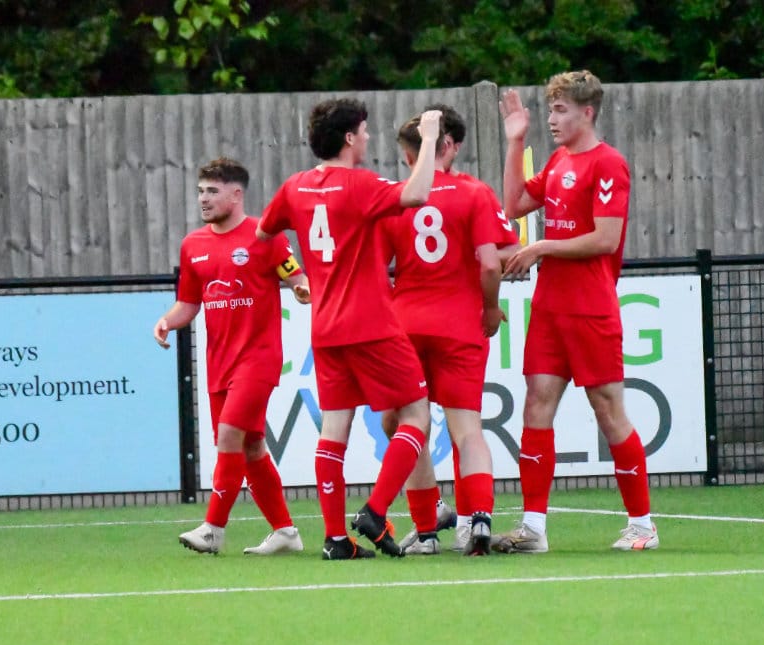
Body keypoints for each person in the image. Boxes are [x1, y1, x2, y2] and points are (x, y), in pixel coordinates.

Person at [257, 99, 443, 560]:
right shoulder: (361, 184)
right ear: (348, 138)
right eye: (363, 131)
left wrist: (301, 276)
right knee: (416, 415)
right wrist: (430, 138)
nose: (367, 138)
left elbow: (263, 235)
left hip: (325, 328)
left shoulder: (295, 186)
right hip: (372, 323)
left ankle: (336, 539)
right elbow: (418, 193)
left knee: (334, 429)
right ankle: (375, 511)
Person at [494, 71, 659, 552]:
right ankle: (533, 528)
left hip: (590, 308)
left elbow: (606, 238)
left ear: (587, 112)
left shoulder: (608, 164)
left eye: (561, 110)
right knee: (536, 404)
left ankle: (643, 525)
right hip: (551, 307)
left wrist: (542, 246)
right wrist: (515, 140)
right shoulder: (558, 160)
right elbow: (514, 204)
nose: (552, 119)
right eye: (550, 110)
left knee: (608, 410)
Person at [153, 157, 310, 556]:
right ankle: (285, 532)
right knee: (252, 445)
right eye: (200, 191)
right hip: (219, 362)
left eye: (212, 191)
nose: (203, 199)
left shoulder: (266, 236)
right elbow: (189, 303)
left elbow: (297, 277)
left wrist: (301, 289)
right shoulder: (193, 245)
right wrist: (167, 321)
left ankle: (213, 530)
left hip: (258, 358)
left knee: (229, 436)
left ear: (236, 194)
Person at [378, 114, 518, 556]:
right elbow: (493, 262)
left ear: (409, 154)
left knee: (405, 424)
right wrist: (491, 307)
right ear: (450, 146)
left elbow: (375, 268)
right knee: (467, 428)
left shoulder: (397, 198)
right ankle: (478, 519)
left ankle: (426, 531)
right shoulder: (475, 193)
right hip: (460, 324)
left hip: (406, 325)